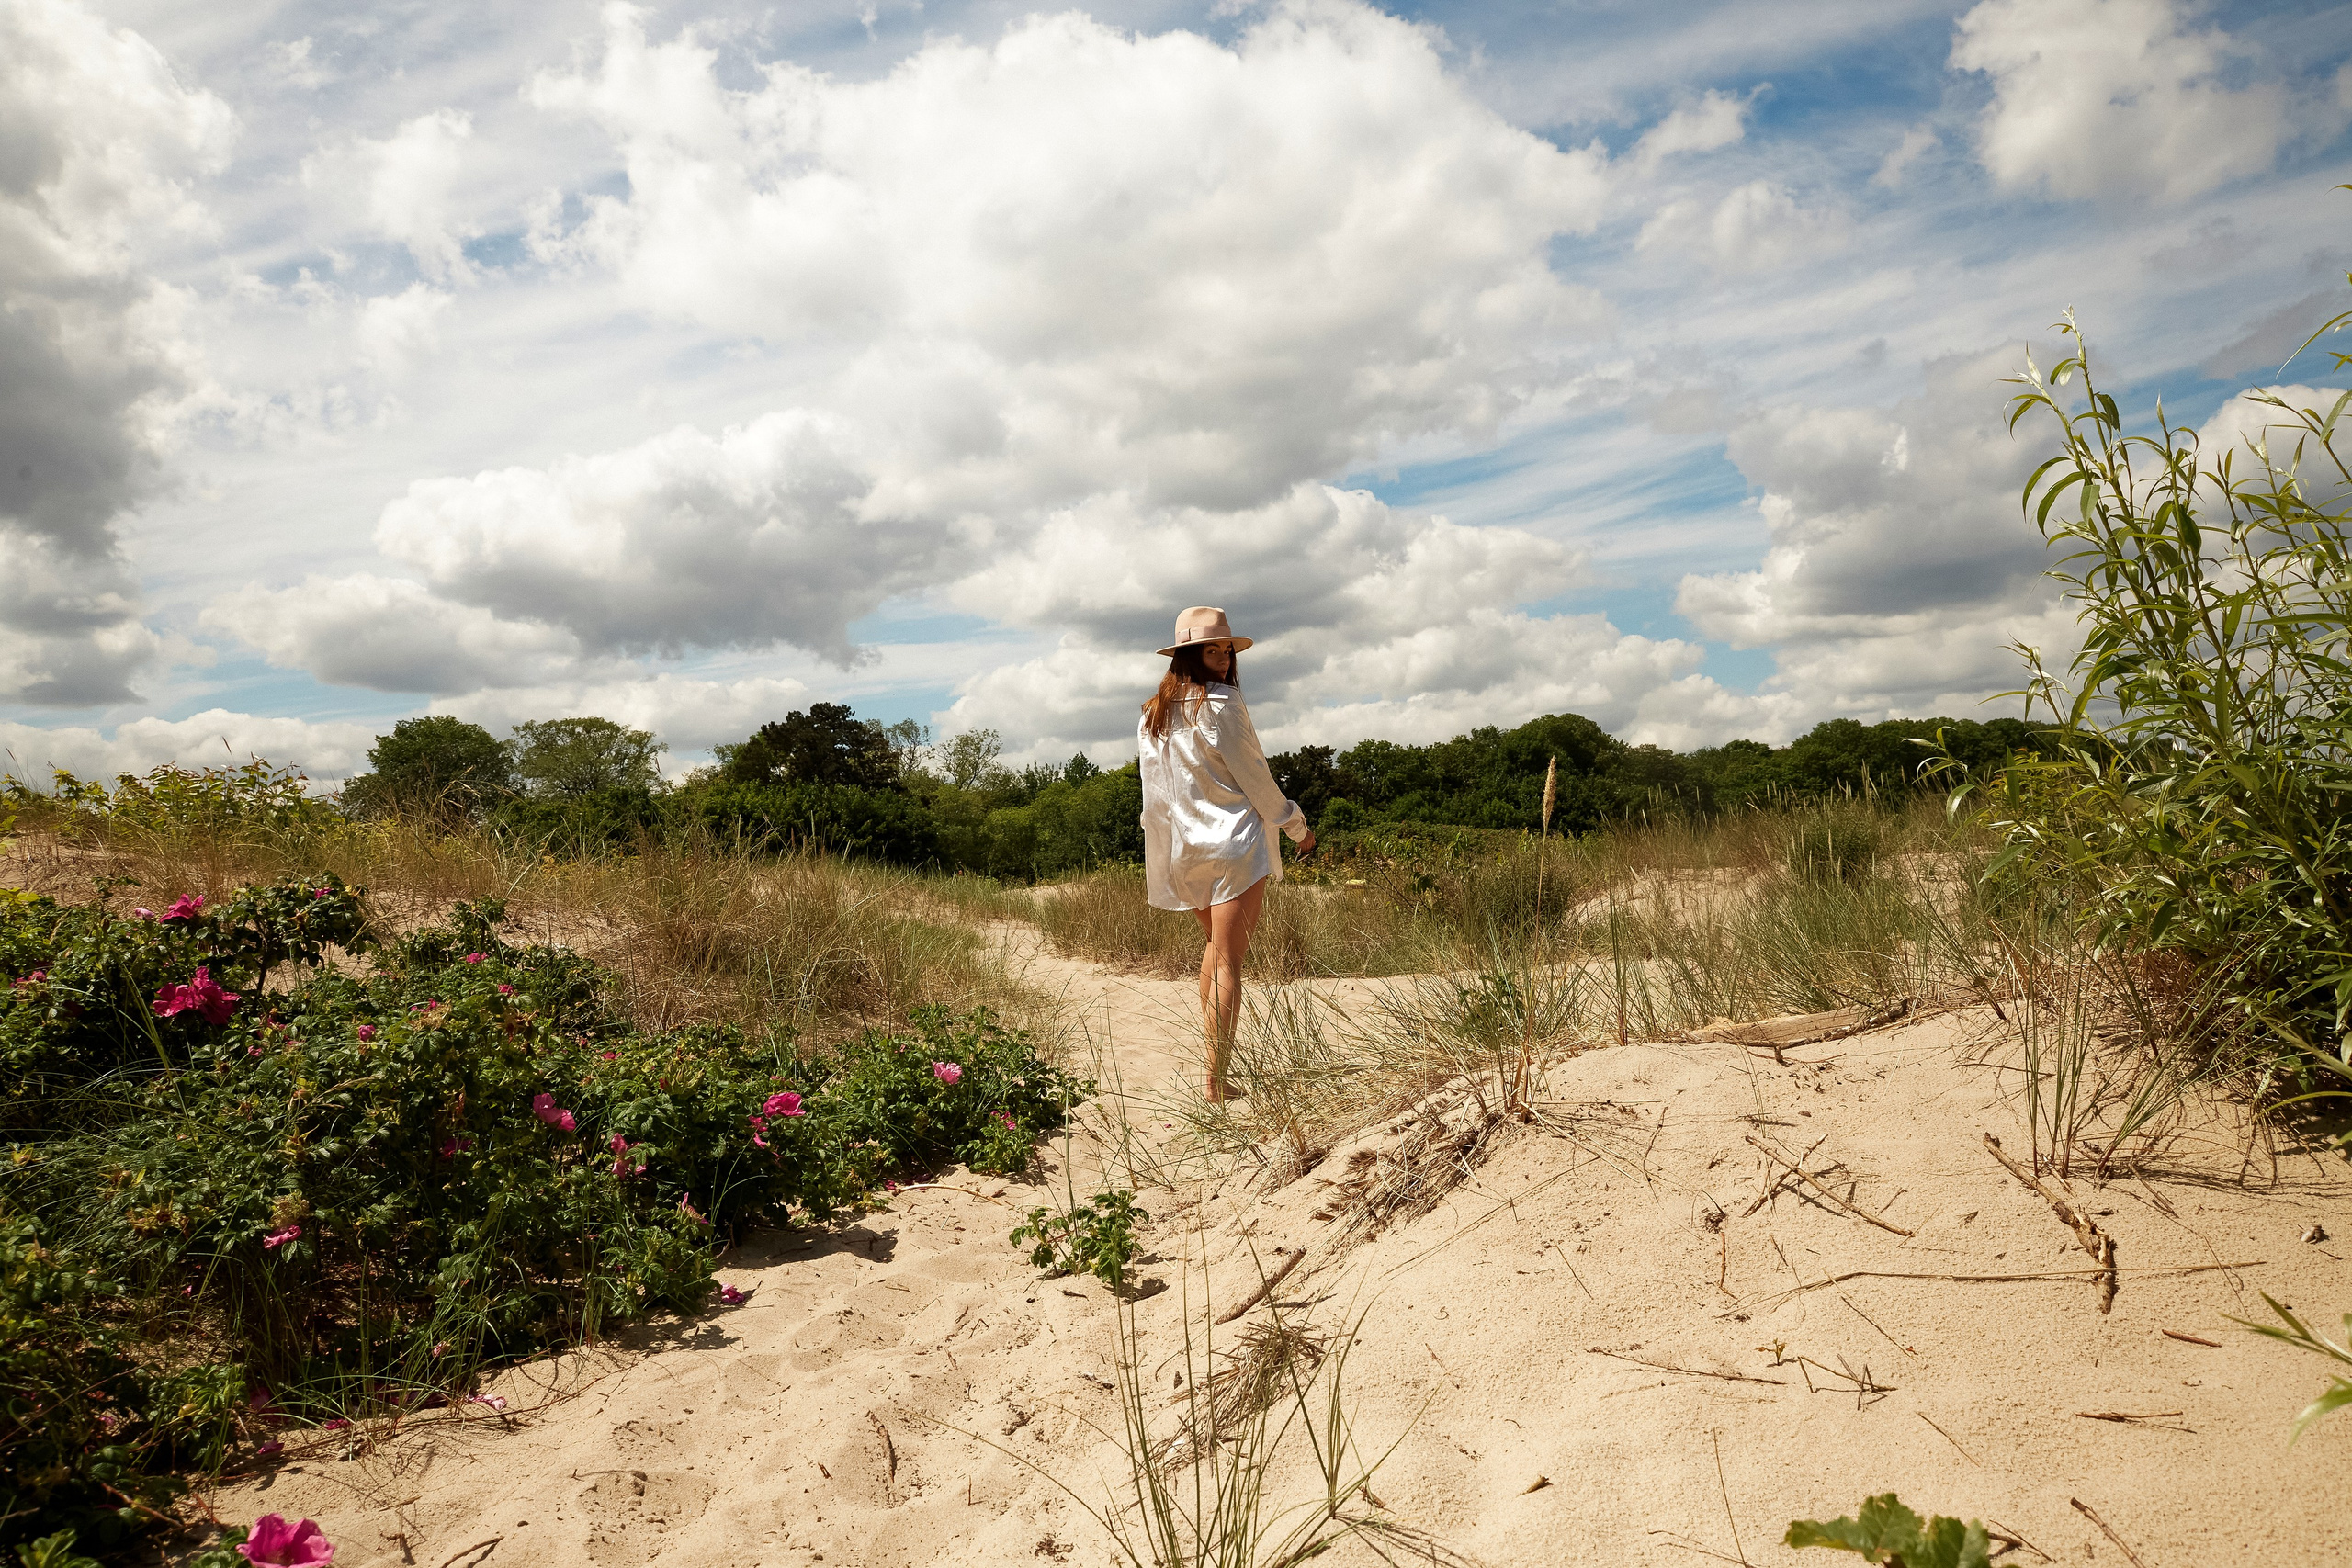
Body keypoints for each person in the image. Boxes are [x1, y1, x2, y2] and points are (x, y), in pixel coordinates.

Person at [1136, 606, 1316, 1100]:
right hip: (1234, 844)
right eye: (1209, 650)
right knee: (1227, 963)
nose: (1220, 658)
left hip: (1185, 849)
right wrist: (1298, 826)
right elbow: (1255, 777)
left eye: (1225, 650)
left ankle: (1217, 1070)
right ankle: (1217, 1081)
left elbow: (1157, 793)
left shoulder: (1154, 713)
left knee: (1215, 954)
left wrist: (1169, 848)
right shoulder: (1222, 704)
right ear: (1189, 656)